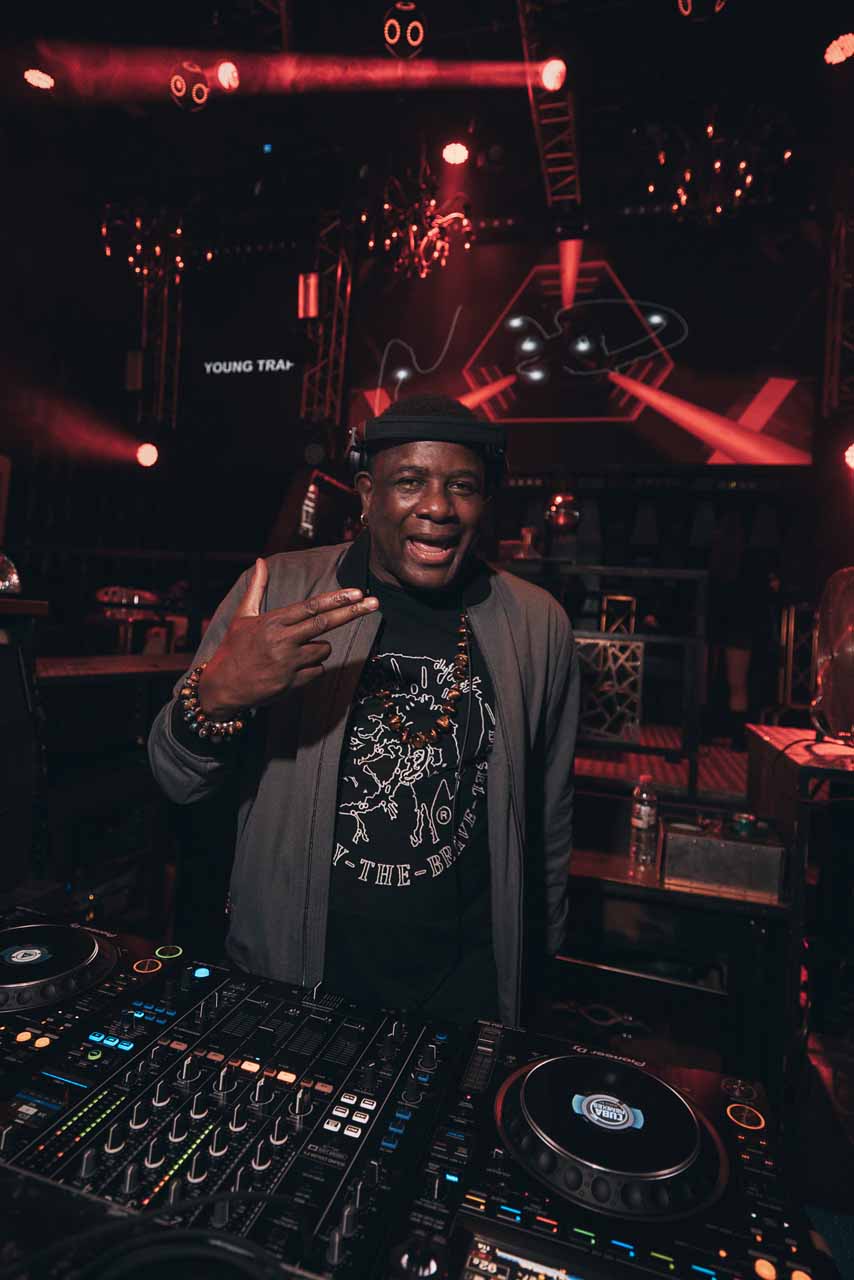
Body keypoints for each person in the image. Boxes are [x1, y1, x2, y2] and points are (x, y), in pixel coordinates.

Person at [148, 395, 580, 1026]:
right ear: (367, 494)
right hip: (293, 982)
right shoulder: (280, 592)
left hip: (467, 992)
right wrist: (213, 697)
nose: (438, 507)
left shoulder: (536, 623)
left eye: (462, 486)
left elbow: (549, 811)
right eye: (410, 482)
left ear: (484, 503)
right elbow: (175, 777)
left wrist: (540, 966)